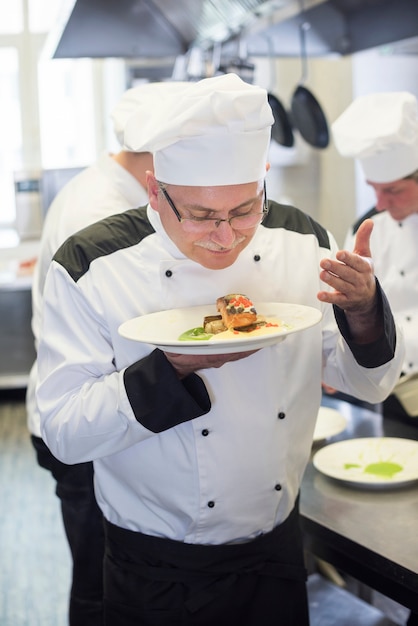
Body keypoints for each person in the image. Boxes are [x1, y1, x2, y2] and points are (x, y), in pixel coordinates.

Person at [35, 73, 404, 626]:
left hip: (274, 554)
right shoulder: (92, 263)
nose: (227, 238)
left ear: (263, 181)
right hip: (154, 571)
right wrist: (170, 370)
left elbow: (367, 382)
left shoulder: (303, 238)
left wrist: (364, 310)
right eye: (203, 217)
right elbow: (64, 431)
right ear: (156, 192)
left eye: (244, 211)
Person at [27, 80, 189, 626]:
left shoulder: (107, 188)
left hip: (104, 408)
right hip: (85, 418)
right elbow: (124, 335)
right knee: (102, 583)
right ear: (161, 150)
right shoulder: (99, 211)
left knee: (100, 573)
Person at [332, 91, 418, 422]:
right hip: (389, 388)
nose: (380, 203)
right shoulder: (367, 227)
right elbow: (348, 304)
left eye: (393, 190)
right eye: (374, 188)